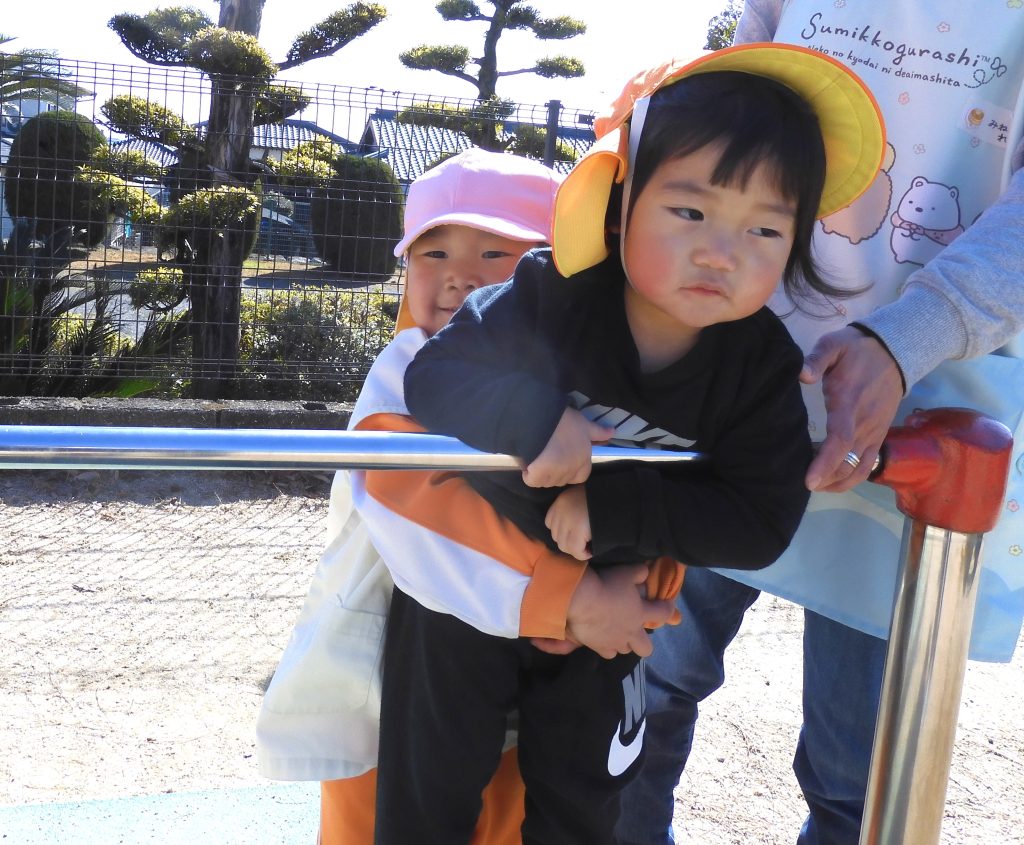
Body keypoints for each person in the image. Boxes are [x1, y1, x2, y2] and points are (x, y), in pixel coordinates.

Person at [361, 43, 885, 844]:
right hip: (466, 597)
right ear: (621, 201)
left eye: (765, 227)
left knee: (584, 805)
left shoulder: (759, 368)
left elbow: (760, 520)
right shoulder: (550, 293)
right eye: (690, 212)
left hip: (610, 617)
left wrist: (613, 507)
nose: (722, 252)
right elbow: (437, 376)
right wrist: (534, 418)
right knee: (424, 799)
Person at [616, 4, 1024, 844]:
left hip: (920, 404)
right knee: (636, 700)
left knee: (860, 773)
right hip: (726, 371)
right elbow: (737, 96)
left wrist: (908, 337)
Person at [254, 147, 565, 845]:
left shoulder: (573, 377)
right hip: (396, 662)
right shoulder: (405, 370)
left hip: (528, 651)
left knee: (513, 809)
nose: (459, 274)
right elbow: (417, 499)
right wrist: (566, 595)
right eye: (433, 252)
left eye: (496, 252)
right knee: (377, 815)